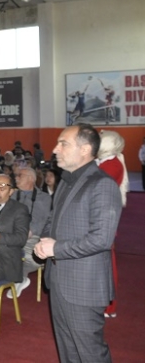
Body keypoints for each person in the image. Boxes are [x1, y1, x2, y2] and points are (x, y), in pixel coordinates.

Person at [35, 124, 122, 363]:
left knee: (90, 354)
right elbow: (53, 219)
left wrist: (56, 248)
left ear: (84, 149)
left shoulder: (102, 184)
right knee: (68, 352)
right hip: (59, 280)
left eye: (63, 144)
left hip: (84, 286)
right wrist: (44, 241)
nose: (55, 149)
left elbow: (102, 238)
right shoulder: (66, 181)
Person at [96, 130, 128, 318]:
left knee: (107, 265)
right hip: (99, 218)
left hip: (103, 221)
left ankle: (109, 306)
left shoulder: (112, 165)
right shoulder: (105, 162)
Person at [7, 167, 52, 299]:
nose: (16, 178)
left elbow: (41, 220)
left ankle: (19, 277)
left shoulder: (44, 198)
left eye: (20, 175)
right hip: (12, 234)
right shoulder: (13, 195)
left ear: (31, 179)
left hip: (32, 235)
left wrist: (27, 233)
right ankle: (17, 278)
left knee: (34, 258)